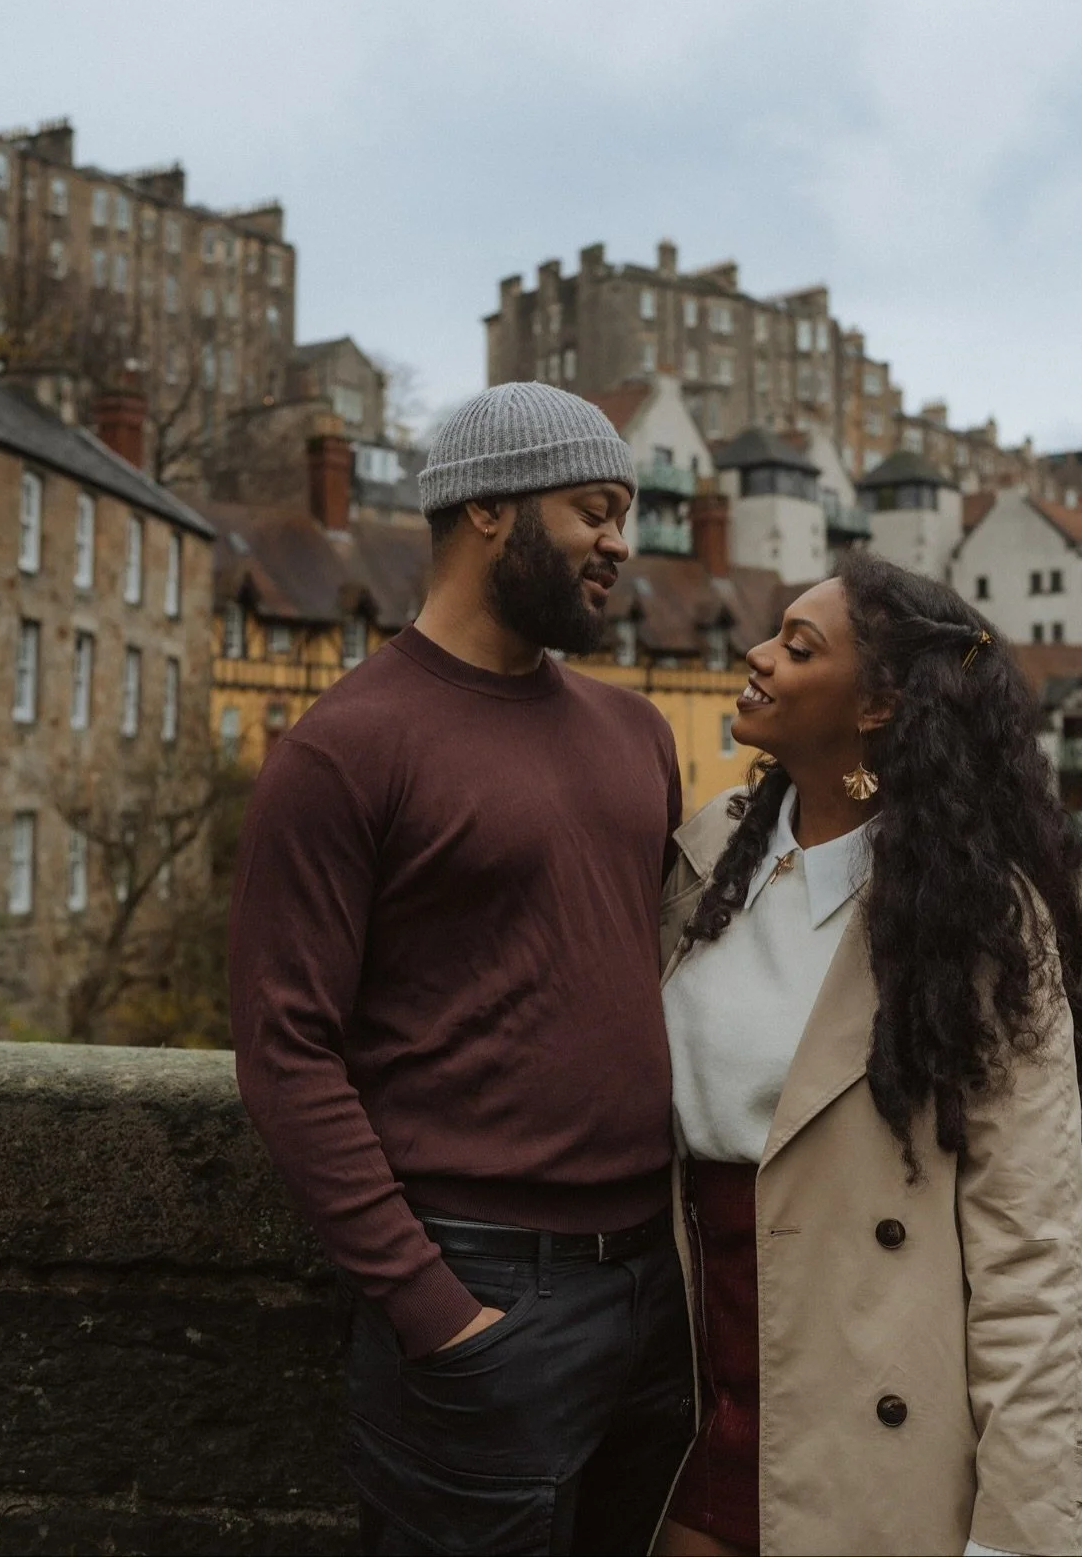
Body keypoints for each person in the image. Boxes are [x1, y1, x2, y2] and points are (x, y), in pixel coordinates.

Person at [229, 383, 694, 1557]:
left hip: (662, 1286)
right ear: (489, 506)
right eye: (593, 508)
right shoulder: (344, 746)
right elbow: (286, 1048)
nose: (619, 543)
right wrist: (439, 1313)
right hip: (485, 1293)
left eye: (625, 512)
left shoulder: (636, 731)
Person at [655, 555, 1082, 1557]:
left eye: (798, 644)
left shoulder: (969, 918)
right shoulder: (700, 862)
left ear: (879, 704)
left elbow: (1030, 1253)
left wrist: (1018, 1540)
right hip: (694, 1397)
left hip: (865, 1421)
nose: (757, 653)